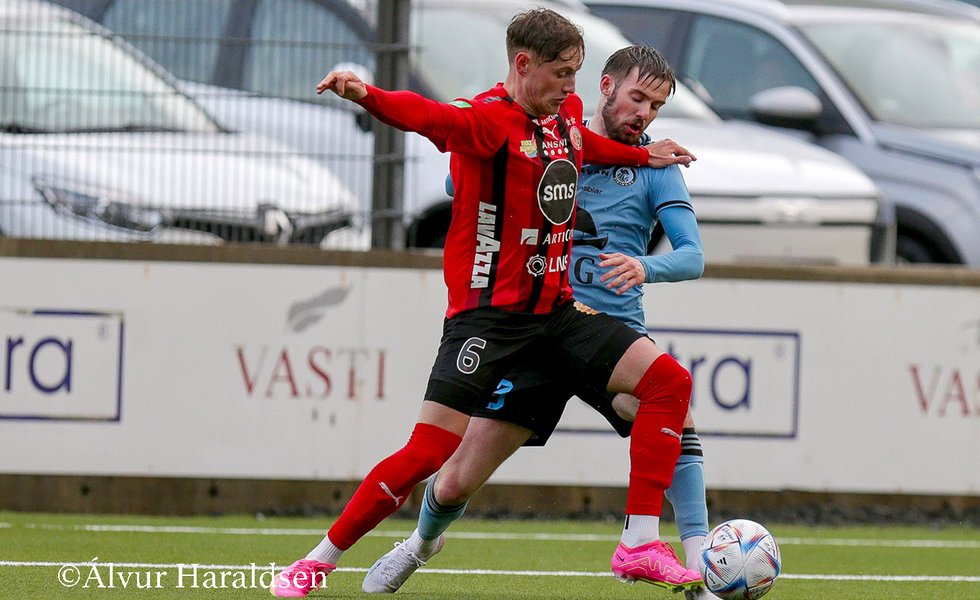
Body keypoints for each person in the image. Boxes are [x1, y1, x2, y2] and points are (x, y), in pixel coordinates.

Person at [270, 9, 699, 597]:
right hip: (488, 323)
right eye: (562, 73)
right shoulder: (486, 122)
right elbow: (427, 116)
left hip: (558, 314)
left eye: (576, 73)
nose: (572, 87)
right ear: (523, 64)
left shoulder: (563, 115)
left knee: (670, 383)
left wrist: (644, 157)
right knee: (433, 459)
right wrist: (366, 94)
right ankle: (318, 561)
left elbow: (587, 144)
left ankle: (640, 543)